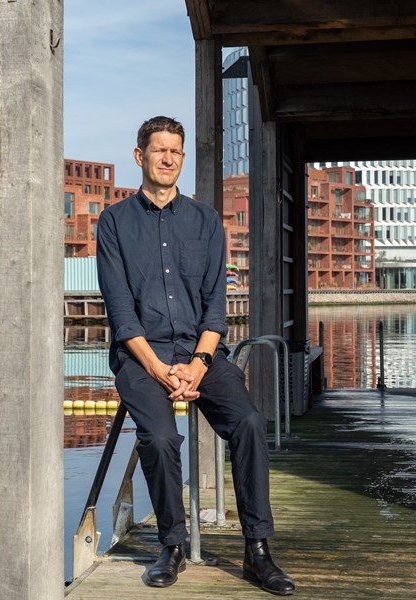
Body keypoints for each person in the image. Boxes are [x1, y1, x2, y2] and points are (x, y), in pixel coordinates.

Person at [96, 116, 295, 596]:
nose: (168, 158)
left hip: (201, 355)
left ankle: (257, 551)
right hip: (142, 357)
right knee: (161, 437)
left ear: (182, 158)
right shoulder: (114, 223)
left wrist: (200, 364)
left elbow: (214, 309)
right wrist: (161, 370)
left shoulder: (205, 220)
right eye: (159, 150)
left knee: (247, 423)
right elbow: (121, 313)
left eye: (176, 151)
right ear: (140, 156)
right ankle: (172, 545)